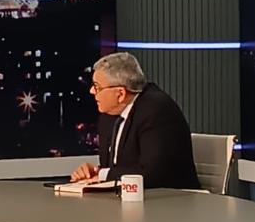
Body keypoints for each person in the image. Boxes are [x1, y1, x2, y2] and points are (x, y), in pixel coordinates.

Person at [70, 52, 199, 190]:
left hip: (174, 198)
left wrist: (102, 174)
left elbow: (154, 174)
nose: (91, 91)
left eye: (97, 87)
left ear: (120, 94)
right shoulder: (109, 114)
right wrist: (94, 172)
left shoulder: (156, 111)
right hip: (131, 196)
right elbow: (119, 167)